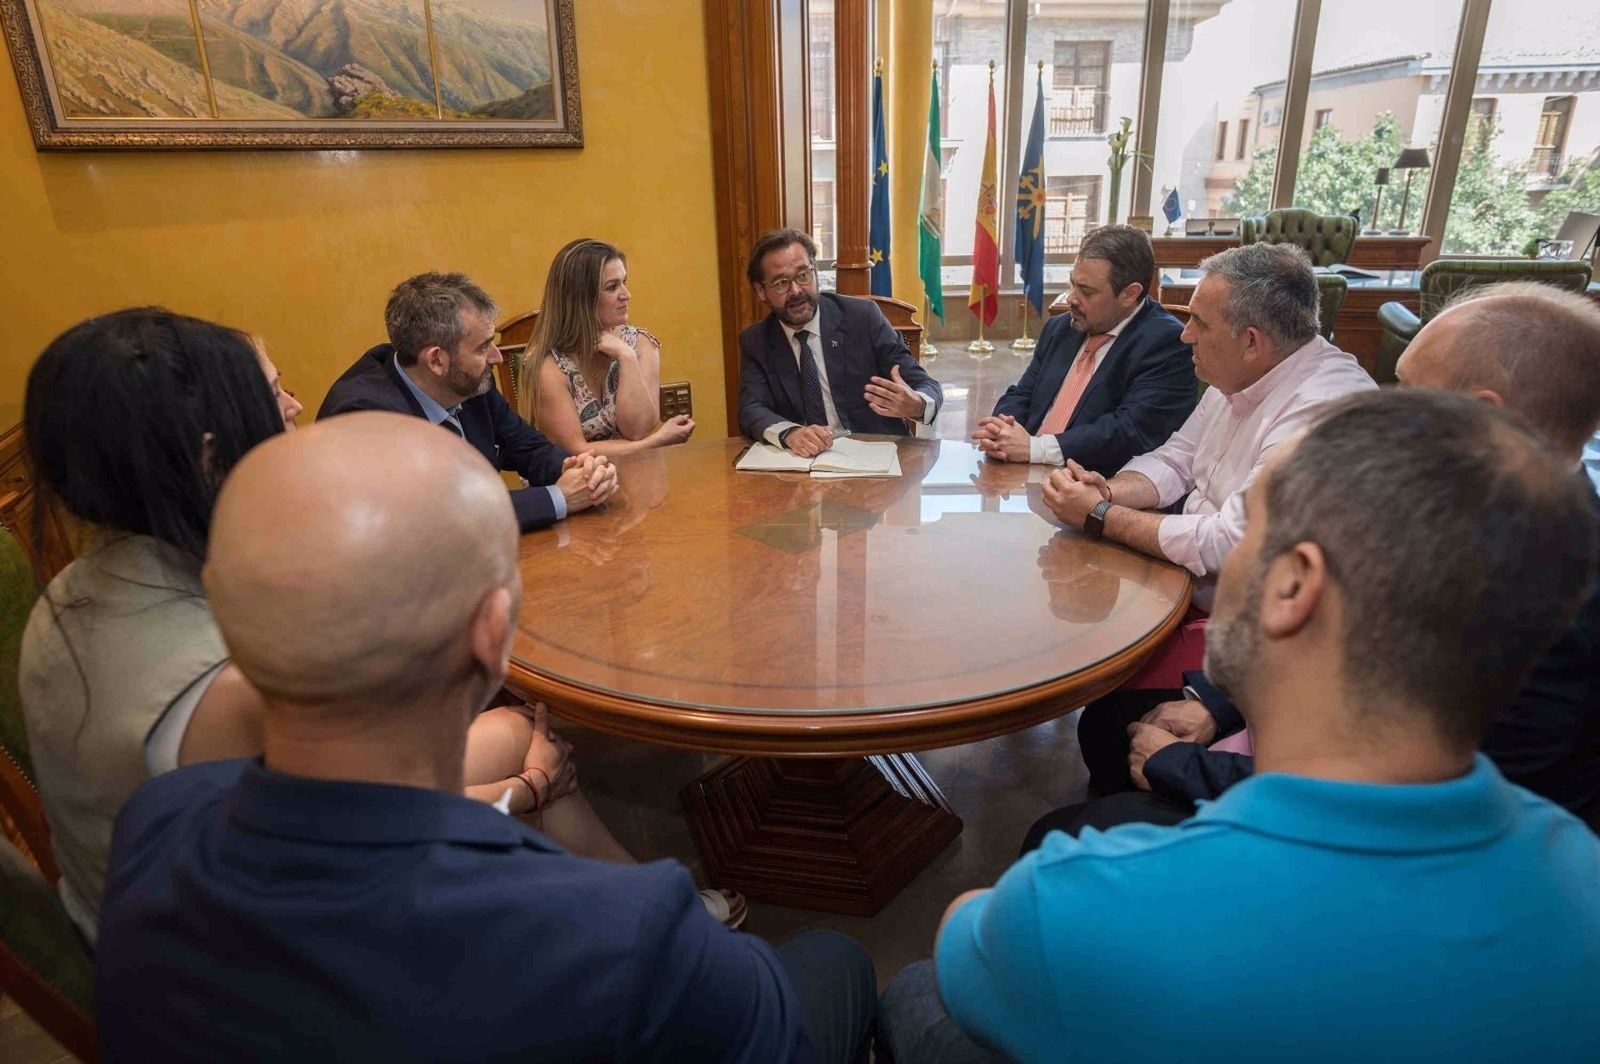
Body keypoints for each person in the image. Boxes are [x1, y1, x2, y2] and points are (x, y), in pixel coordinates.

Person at [96, 412, 878, 1063]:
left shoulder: (153, 824)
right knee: (836, 963)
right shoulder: (627, 935)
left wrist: (518, 794)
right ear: (493, 635)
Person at [879, 390, 1600, 1063]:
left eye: (1252, 522)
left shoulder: (1090, 904)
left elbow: (967, 943)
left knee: (911, 991)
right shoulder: (1581, 874)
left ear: (1293, 587)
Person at [16, 309, 698, 946]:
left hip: (166, 887)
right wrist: (525, 790)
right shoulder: (223, 691)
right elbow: (365, 846)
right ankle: (642, 929)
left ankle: (639, 908)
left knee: (521, 730)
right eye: (273, 397)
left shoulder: (79, 588)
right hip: (248, 948)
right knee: (536, 758)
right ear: (205, 457)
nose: (294, 409)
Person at [1049, 281, 1600, 833]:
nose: (1380, 404)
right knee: (1108, 730)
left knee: (1065, 831)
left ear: (1485, 419)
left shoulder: (1556, 609)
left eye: (1405, 390)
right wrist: (1215, 704)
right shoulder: (1468, 496)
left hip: (1364, 845)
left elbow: (1410, 808)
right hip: (1294, 745)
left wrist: (1184, 768)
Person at [1041, 242, 1373, 609]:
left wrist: (1100, 515)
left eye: (1199, 321)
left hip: (1247, 630)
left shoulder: (1322, 413)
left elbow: (1230, 543)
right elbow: (1177, 458)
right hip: (1183, 587)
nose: (1185, 335)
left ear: (1250, 341)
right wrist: (1108, 492)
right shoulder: (1241, 370)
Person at [318, 271, 617, 531]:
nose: (497, 357)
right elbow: (435, 518)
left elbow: (529, 448)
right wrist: (559, 498)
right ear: (436, 360)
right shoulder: (363, 415)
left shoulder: (470, 384)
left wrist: (580, 472)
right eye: (483, 347)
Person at [972, 224, 1196, 473]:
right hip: (1024, 475)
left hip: (1094, 488)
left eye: (1086, 291)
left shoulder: (1167, 343)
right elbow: (1024, 393)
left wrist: (1034, 449)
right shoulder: (1061, 328)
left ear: (1129, 294)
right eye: (1073, 284)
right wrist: (1002, 428)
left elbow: (1128, 432)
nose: (1071, 299)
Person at [737, 229, 943, 457]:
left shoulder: (862, 318)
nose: (796, 291)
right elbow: (751, 409)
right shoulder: (757, 340)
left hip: (873, 458)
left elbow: (925, 384)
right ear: (761, 291)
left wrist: (918, 405)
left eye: (803, 275)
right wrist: (791, 433)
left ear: (815, 272)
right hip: (804, 464)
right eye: (781, 283)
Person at [522, 238, 696, 457]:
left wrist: (626, 356)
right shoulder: (547, 365)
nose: (626, 295)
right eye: (612, 287)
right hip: (576, 481)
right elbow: (575, 451)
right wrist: (658, 441)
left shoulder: (642, 344)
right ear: (581, 299)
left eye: (624, 282)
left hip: (635, 475)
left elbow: (637, 431)